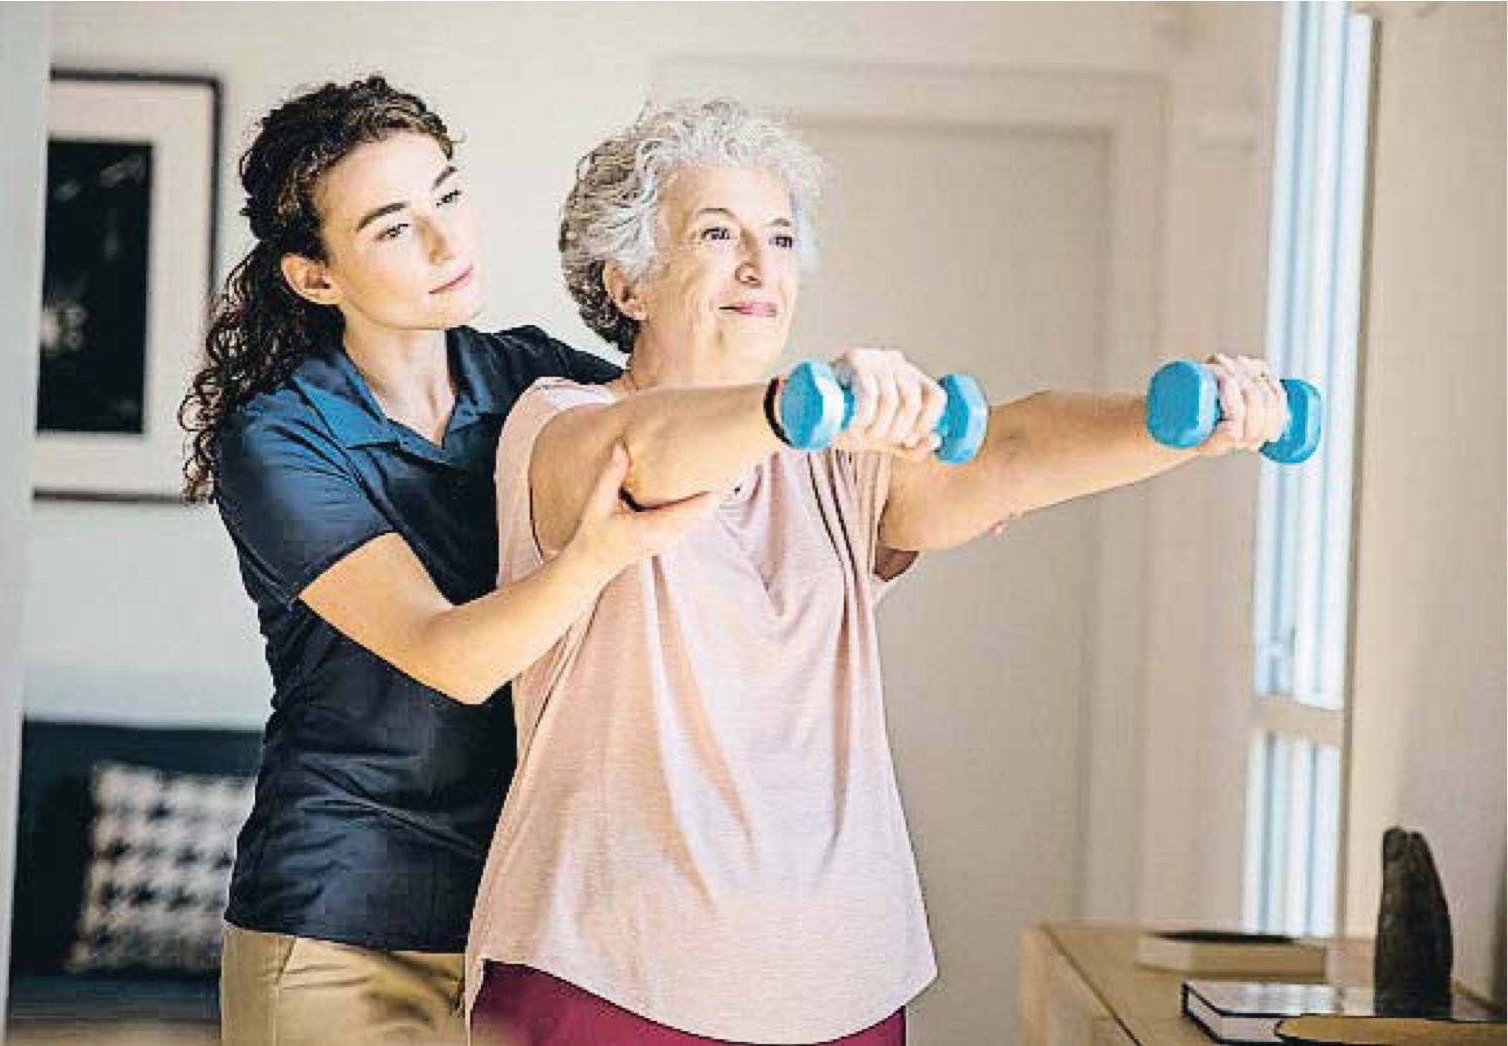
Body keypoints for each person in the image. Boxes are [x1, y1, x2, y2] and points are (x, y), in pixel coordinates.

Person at [462, 98, 1291, 1045]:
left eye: (779, 237)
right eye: (717, 232)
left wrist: (1178, 422)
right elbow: (644, 456)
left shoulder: (833, 456)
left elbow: (1010, 448)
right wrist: (795, 406)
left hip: (842, 984)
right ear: (628, 284)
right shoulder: (560, 422)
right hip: (611, 972)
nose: (759, 265)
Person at [179, 76, 713, 1046]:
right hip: (342, 924)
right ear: (314, 275)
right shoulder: (282, 439)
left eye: (449, 196)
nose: (445, 241)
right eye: (392, 227)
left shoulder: (531, 376)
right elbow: (452, 655)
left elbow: (685, 446)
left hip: (521, 919)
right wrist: (595, 554)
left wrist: (864, 504)